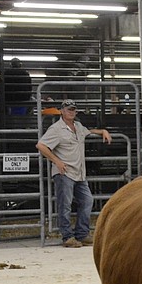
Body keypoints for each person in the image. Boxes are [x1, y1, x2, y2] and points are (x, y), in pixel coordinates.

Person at [36, 99, 112, 248]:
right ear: (62, 111)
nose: (71, 112)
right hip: (64, 172)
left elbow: (90, 131)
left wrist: (103, 131)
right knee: (65, 205)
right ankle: (67, 236)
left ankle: (82, 234)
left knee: (87, 200)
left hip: (79, 172)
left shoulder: (78, 126)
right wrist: (56, 161)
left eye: (73, 109)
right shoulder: (56, 129)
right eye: (69, 109)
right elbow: (41, 145)